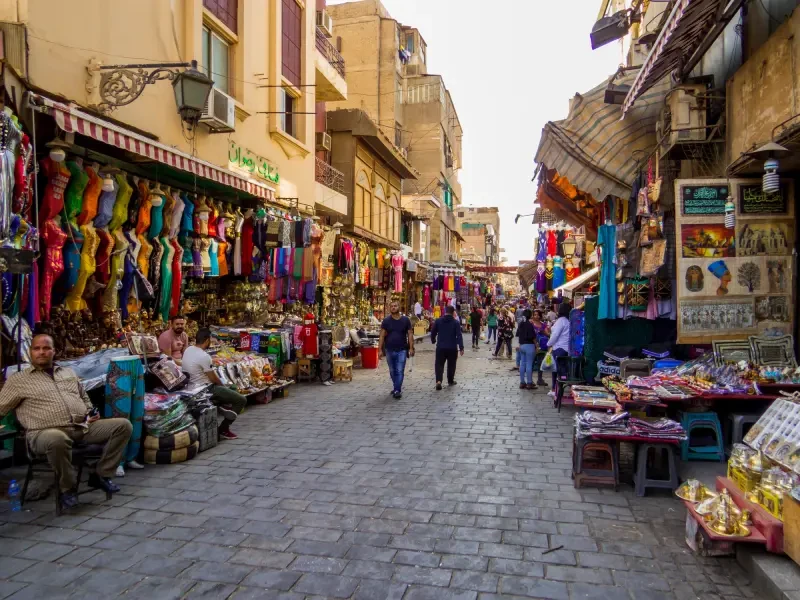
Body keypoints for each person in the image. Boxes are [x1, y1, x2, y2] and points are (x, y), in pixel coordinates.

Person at [0, 334, 132, 511]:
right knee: (57, 439)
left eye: (46, 348)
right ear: (30, 352)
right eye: (37, 349)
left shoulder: (67, 372)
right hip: (43, 433)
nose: (41, 352)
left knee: (123, 426)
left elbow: (83, 396)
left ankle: (101, 474)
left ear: (54, 351)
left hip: (80, 427)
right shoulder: (18, 380)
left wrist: (89, 412)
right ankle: (67, 489)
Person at [182, 328, 246, 439]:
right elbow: (213, 378)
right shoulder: (204, 356)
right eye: (210, 340)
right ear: (207, 341)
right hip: (205, 389)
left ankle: (224, 406)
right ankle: (224, 429)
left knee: (231, 388)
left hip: (191, 387)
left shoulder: (188, 350)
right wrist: (223, 385)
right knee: (241, 399)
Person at [379, 301, 414, 399]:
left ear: (399, 307)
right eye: (392, 306)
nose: (393, 308)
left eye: (395, 306)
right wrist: (379, 350)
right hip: (389, 349)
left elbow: (410, 334)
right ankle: (396, 387)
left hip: (402, 349)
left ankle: (397, 390)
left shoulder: (406, 320)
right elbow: (381, 336)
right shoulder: (386, 321)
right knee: (392, 370)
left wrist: (411, 347)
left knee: (399, 370)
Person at [431, 305, 464, 390]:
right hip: (452, 347)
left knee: (439, 364)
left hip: (441, 347)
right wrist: (461, 347)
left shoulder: (438, 321)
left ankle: (438, 381)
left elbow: (433, 332)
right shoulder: (456, 322)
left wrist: (433, 340)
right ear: (453, 313)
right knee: (451, 365)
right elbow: (459, 336)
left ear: (445, 311)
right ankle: (450, 380)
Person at [546, 302, 572, 397]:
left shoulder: (561, 321)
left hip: (559, 348)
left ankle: (556, 389)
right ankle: (560, 387)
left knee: (556, 370)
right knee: (562, 369)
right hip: (565, 349)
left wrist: (548, 343)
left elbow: (555, 335)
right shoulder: (567, 321)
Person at [516, 309, 537, 390]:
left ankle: (522, 382)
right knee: (529, 364)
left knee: (522, 364)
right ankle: (529, 382)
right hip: (529, 346)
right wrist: (536, 345)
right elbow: (533, 336)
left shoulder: (521, 324)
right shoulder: (530, 324)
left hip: (522, 346)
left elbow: (518, 334)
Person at [531, 309, 550, 387]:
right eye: (535, 314)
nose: (536, 316)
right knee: (531, 363)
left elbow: (548, 334)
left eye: (538, 315)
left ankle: (540, 379)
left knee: (540, 363)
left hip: (542, 347)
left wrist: (545, 332)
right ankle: (530, 380)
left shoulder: (543, 324)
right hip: (532, 345)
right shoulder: (531, 323)